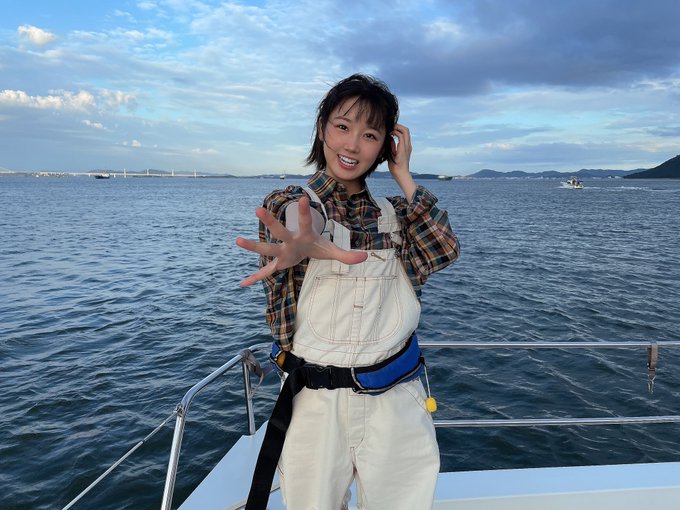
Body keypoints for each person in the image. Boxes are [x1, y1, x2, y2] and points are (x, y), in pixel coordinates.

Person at [236, 74, 460, 510]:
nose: (352, 145)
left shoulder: (398, 218)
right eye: (342, 126)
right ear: (322, 128)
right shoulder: (291, 202)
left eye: (370, 135)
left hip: (395, 399)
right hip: (313, 403)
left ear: (386, 147)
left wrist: (403, 174)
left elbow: (445, 248)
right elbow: (300, 219)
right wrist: (301, 241)